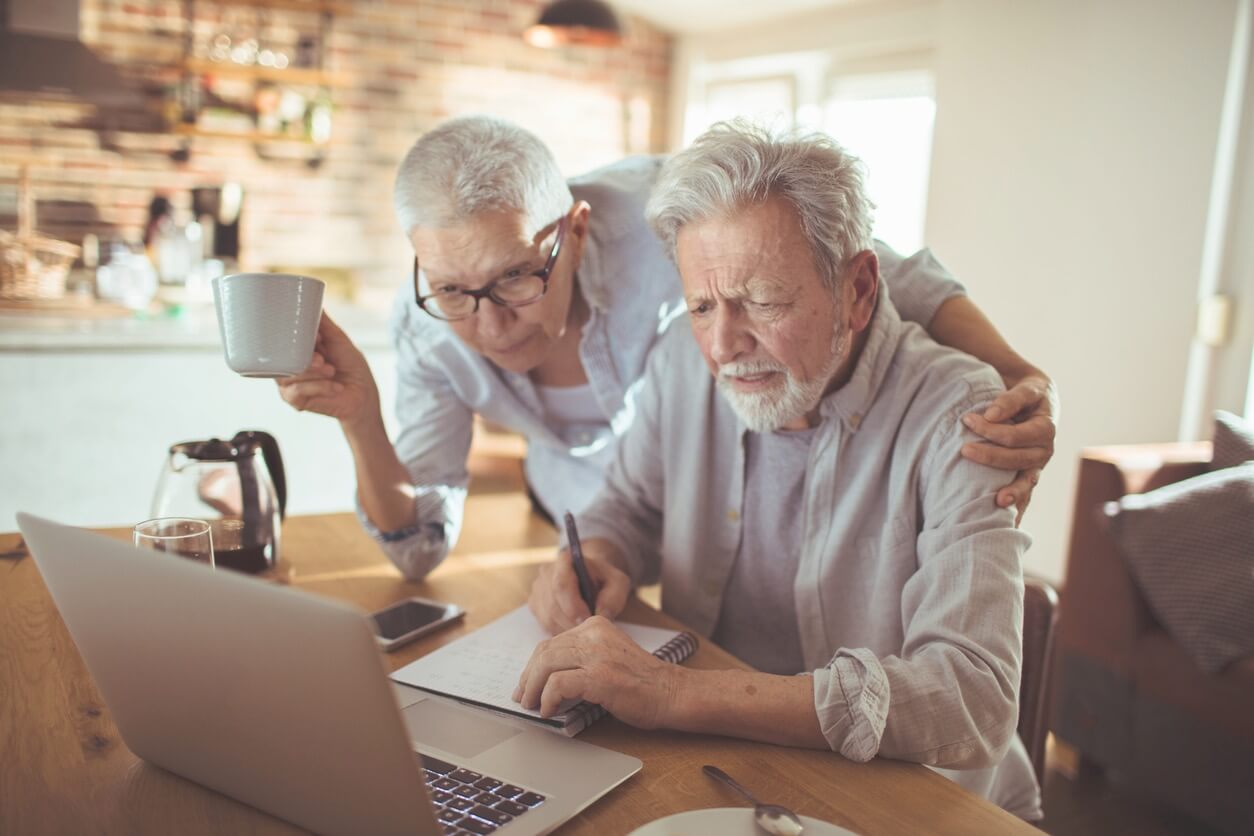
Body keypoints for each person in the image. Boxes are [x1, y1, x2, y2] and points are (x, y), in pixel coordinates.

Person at [515, 122, 1041, 819]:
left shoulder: (962, 413)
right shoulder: (681, 354)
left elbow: (972, 698)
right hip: (731, 770)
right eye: (703, 305)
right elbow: (632, 503)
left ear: (856, 290)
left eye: (762, 300)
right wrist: (599, 555)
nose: (725, 344)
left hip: (911, 801)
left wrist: (674, 694)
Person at [277, 115, 1057, 582]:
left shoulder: (668, 212)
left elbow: (873, 269)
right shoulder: (425, 326)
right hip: (599, 516)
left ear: (574, 233)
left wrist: (1016, 375)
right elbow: (418, 549)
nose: (489, 323)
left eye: (515, 278)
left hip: (704, 475)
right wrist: (362, 423)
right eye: (451, 290)